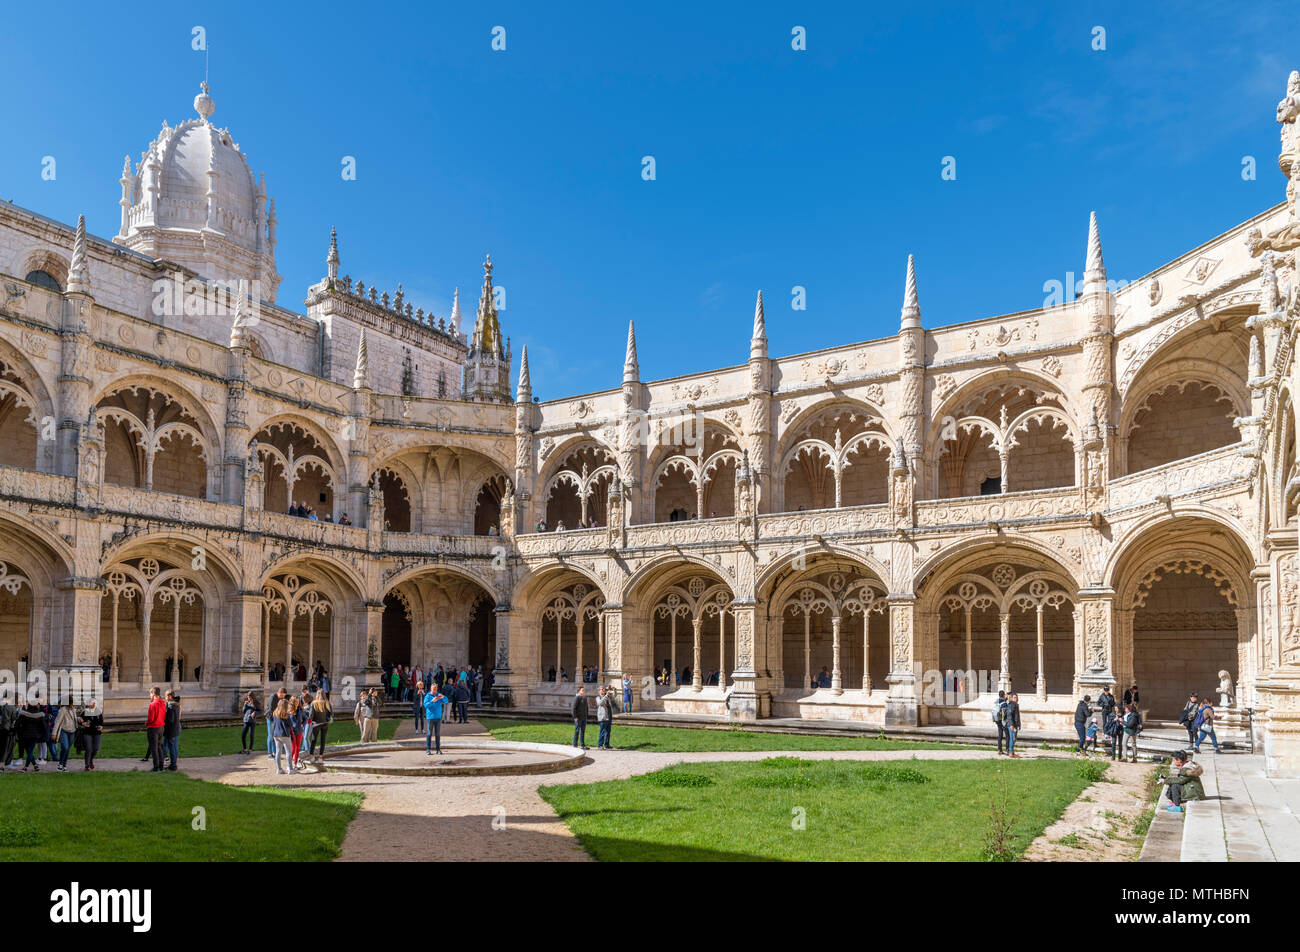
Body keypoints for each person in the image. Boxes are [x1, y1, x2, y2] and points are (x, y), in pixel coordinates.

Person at [15, 699, 45, 771]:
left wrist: (19, 733)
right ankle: (33, 766)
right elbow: (43, 727)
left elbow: (17, 724)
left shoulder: (23, 713)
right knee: (30, 751)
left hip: (24, 735)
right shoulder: (40, 715)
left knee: (29, 751)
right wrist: (39, 734)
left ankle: (27, 767)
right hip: (35, 735)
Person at [52, 698, 78, 772]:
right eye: (71, 703)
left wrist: (78, 719)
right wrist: (54, 733)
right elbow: (57, 722)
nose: (72, 704)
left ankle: (64, 765)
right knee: (65, 747)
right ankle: (60, 764)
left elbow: (74, 718)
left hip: (72, 731)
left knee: (67, 749)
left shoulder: (73, 709)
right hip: (64, 731)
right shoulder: (62, 710)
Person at [270, 699, 296, 775]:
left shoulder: (275, 713)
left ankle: (279, 769)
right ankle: (290, 769)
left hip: (276, 734)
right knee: (288, 752)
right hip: (285, 735)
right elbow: (291, 725)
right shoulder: (286, 715)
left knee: (278, 752)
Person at [79, 698, 103, 770]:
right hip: (87, 732)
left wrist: (101, 726)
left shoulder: (98, 711)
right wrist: (83, 723)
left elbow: (101, 722)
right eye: (92, 703)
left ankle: (90, 760)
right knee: (88, 749)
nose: (93, 704)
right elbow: (80, 721)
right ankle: (86, 765)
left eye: (95, 703)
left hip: (97, 732)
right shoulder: (84, 712)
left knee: (96, 749)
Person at [145, 687, 166, 772]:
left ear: (153, 694)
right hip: (161, 727)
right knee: (159, 747)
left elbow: (151, 719)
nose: (150, 696)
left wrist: (146, 723)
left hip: (153, 728)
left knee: (154, 749)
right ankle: (161, 766)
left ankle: (156, 767)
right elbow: (164, 715)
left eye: (150, 694)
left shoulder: (153, 704)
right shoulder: (163, 703)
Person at [309, 690, 332, 762]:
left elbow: (311, 715)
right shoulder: (327, 703)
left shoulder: (314, 703)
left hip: (316, 724)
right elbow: (331, 714)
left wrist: (309, 721)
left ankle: (311, 756)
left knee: (313, 740)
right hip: (325, 723)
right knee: (323, 740)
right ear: (324, 694)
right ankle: (320, 757)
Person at [423, 683, 446, 755]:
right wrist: (433, 701)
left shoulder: (438, 694)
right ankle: (428, 749)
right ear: (431, 688)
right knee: (429, 734)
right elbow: (426, 705)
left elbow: (446, 701)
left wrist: (443, 697)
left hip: (438, 717)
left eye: (436, 689)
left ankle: (438, 750)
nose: (435, 690)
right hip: (430, 717)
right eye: (433, 689)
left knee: (438, 734)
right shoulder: (427, 696)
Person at [163, 690, 182, 771]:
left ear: (170, 696)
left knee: (172, 747)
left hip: (171, 730)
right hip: (176, 728)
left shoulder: (171, 706)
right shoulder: (176, 705)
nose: (165, 697)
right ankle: (173, 763)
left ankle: (173, 765)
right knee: (174, 747)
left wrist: (164, 719)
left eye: (166, 696)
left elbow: (170, 719)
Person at [266, 688, 286, 760]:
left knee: (275, 736)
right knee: (270, 736)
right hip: (270, 718)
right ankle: (270, 753)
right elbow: (271, 710)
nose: (282, 697)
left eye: (283, 696)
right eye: (282, 695)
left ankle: (274, 753)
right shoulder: (273, 697)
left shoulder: (279, 698)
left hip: (275, 718)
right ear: (279, 693)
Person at [1005, 692, 1021, 758]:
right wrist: (1011, 724)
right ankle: (1011, 753)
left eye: (1016, 697)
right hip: (1012, 724)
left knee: (1013, 738)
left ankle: (1011, 752)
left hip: (1015, 724)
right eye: (1014, 697)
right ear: (1012, 698)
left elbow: (1017, 716)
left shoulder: (1015, 704)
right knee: (1012, 738)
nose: (1016, 698)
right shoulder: (1012, 704)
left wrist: (1019, 724)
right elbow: (1009, 714)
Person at [993, 690, 1008, 754]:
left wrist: (1005, 698)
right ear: (1004, 695)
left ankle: (999, 749)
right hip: (1002, 720)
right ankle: (1008, 749)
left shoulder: (997, 701)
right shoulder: (1004, 703)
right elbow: (1005, 711)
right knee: (1007, 735)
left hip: (997, 720)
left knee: (1000, 735)